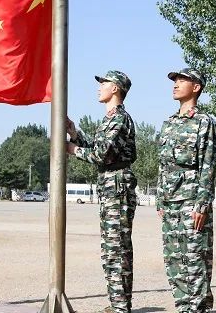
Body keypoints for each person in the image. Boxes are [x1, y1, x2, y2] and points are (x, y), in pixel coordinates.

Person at [66, 70, 137, 313]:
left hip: (117, 185)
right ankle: (118, 304)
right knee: (110, 248)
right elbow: (97, 147)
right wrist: (75, 133)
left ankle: (120, 307)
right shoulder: (109, 119)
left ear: (115, 88)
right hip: (110, 186)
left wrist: (72, 149)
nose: (99, 87)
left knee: (117, 248)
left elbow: (101, 155)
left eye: (104, 83)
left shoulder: (119, 119)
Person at [156, 68, 216, 313]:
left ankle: (199, 308)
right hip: (170, 202)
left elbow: (208, 165)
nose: (176, 84)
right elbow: (163, 165)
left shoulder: (204, 122)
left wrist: (202, 205)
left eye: (182, 80)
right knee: (174, 260)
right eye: (175, 80)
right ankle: (183, 308)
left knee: (195, 260)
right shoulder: (168, 123)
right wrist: (160, 199)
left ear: (196, 87)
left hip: (191, 201)